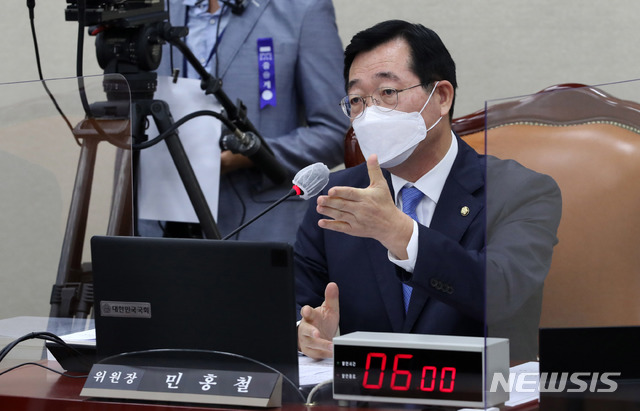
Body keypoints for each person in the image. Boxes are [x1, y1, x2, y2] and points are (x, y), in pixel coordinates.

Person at [295, 20, 562, 362]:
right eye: (357, 100)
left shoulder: (520, 192)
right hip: (370, 395)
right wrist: (305, 333)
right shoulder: (337, 198)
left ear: (441, 97)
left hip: (482, 392)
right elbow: (297, 305)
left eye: (387, 93)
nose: (369, 114)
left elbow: (500, 295)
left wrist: (400, 233)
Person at [138, 0, 349, 242]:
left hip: (259, 226)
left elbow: (337, 131)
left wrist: (250, 156)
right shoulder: (149, 9)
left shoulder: (304, 9)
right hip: (158, 225)